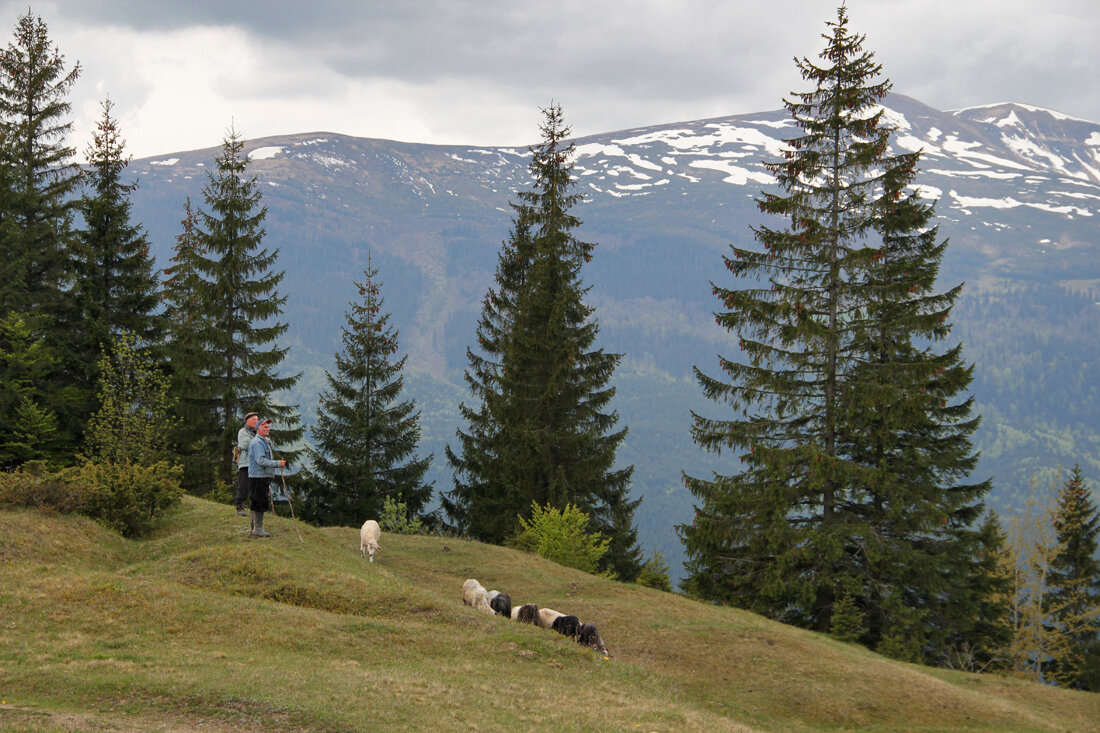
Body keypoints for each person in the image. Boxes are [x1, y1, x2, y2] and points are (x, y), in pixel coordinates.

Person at [247, 418, 285, 537]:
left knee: (257, 500)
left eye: (268, 427)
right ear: (259, 429)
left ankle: (255, 528)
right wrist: (277, 463)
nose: (267, 429)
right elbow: (260, 460)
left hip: (260, 475)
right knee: (260, 501)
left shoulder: (263, 441)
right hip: (259, 476)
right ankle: (257, 529)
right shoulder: (258, 443)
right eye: (265, 427)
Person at [235, 411, 260, 515]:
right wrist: (258, 442)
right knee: (244, 486)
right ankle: (240, 507)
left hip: (256, 464)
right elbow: (244, 445)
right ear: (247, 421)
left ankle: (255, 509)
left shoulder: (258, 433)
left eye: (257, 420)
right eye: (254, 419)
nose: (256, 422)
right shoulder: (243, 431)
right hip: (245, 464)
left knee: (256, 488)